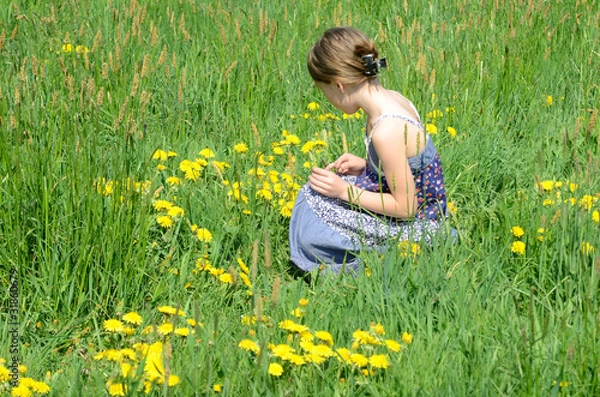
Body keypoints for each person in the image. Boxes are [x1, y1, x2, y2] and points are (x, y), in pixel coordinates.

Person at [289, 26, 450, 274]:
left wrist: (345, 191)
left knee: (310, 230)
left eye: (325, 92)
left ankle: (394, 259)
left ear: (339, 85)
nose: (328, 100)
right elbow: (406, 168)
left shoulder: (386, 130)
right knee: (315, 193)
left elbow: (407, 207)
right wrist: (367, 166)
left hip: (418, 223)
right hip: (409, 202)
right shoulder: (392, 99)